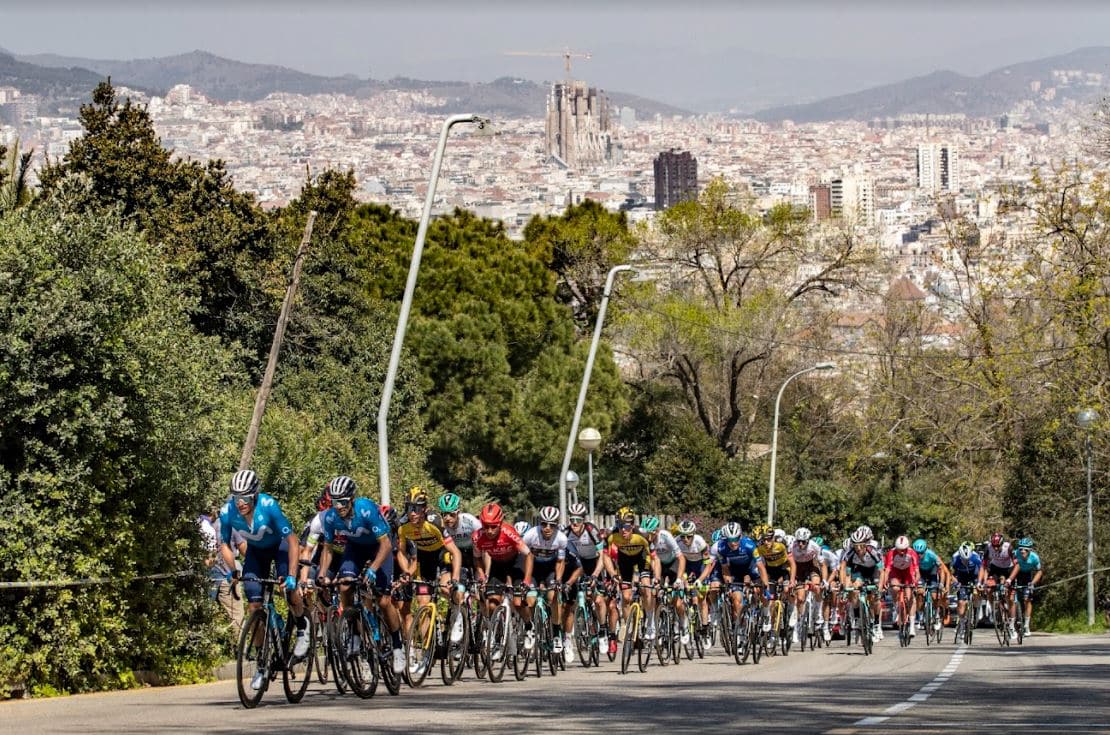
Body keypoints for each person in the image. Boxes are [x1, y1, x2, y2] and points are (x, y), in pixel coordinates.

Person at [218, 469, 309, 691]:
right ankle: (262, 665)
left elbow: (293, 541)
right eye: (236, 497)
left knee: (288, 591)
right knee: (254, 607)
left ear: (255, 494)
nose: (240, 503)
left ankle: (301, 626)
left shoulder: (269, 506)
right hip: (256, 554)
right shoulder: (227, 512)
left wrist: (290, 575)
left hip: (280, 548)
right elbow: (224, 544)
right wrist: (232, 570)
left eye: (245, 497)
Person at [316, 475, 404, 675]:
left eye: (343, 502)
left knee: (383, 601)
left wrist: (373, 569)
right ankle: (355, 634)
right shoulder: (330, 517)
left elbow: (386, 544)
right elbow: (328, 549)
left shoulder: (366, 510)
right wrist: (322, 574)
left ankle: (398, 646)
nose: (339, 506)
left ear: (352, 499)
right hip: (354, 549)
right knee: (345, 587)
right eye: (335, 502)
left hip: (379, 548)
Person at [521, 506, 569, 654]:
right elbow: (525, 558)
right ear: (539, 523)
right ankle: (530, 628)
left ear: (556, 525)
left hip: (550, 570)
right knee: (530, 600)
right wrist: (526, 580)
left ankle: (555, 633)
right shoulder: (530, 535)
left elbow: (560, 562)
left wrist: (558, 580)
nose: (547, 528)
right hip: (533, 568)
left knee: (553, 596)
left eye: (552, 525)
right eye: (544, 524)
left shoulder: (561, 538)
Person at [199, 508, 245, 638]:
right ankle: (241, 646)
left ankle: (205, 643)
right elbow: (243, 548)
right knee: (236, 613)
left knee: (206, 610)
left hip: (208, 573)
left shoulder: (201, 525)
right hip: (229, 573)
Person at [879, 535, 920, 637]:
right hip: (896, 572)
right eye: (899, 550)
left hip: (908, 572)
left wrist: (915, 582)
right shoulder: (891, 553)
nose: (901, 552)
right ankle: (897, 606)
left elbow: (917, 571)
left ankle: (911, 626)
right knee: (895, 587)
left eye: (903, 550)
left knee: (910, 596)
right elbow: (887, 570)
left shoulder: (912, 553)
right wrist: (885, 582)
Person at [1007, 537, 1043, 636]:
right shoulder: (1015, 554)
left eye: (1025, 549)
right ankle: (1011, 624)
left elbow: (1039, 572)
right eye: (1021, 549)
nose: (1022, 551)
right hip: (1016, 574)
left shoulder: (1034, 558)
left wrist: (1033, 583)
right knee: (1012, 599)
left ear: (1030, 550)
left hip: (1027, 576)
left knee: (1027, 599)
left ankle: (1026, 625)